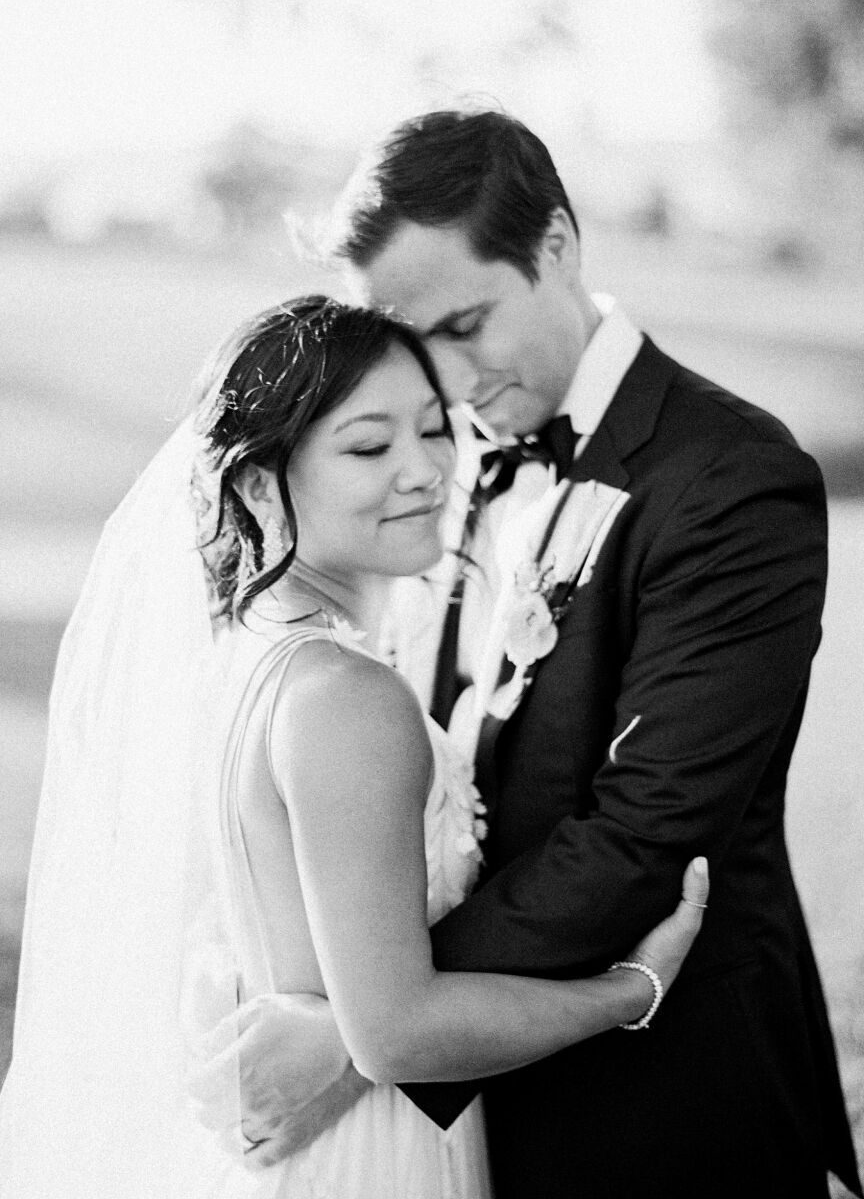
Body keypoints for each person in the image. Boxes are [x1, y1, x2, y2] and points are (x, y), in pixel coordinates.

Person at [223, 113, 863, 1198]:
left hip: (670, 1098)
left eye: (469, 322)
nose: (455, 384)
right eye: (422, 347)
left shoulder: (729, 478)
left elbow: (646, 835)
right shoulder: (449, 464)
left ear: (558, 245)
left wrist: (370, 1024)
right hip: (482, 1096)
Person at [0, 295, 709, 1198]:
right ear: (260, 485)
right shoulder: (346, 696)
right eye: (370, 446)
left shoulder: (245, 651)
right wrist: (632, 988)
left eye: (433, 429)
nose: (425, 472)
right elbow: (396, 1034)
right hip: (360, 1152)